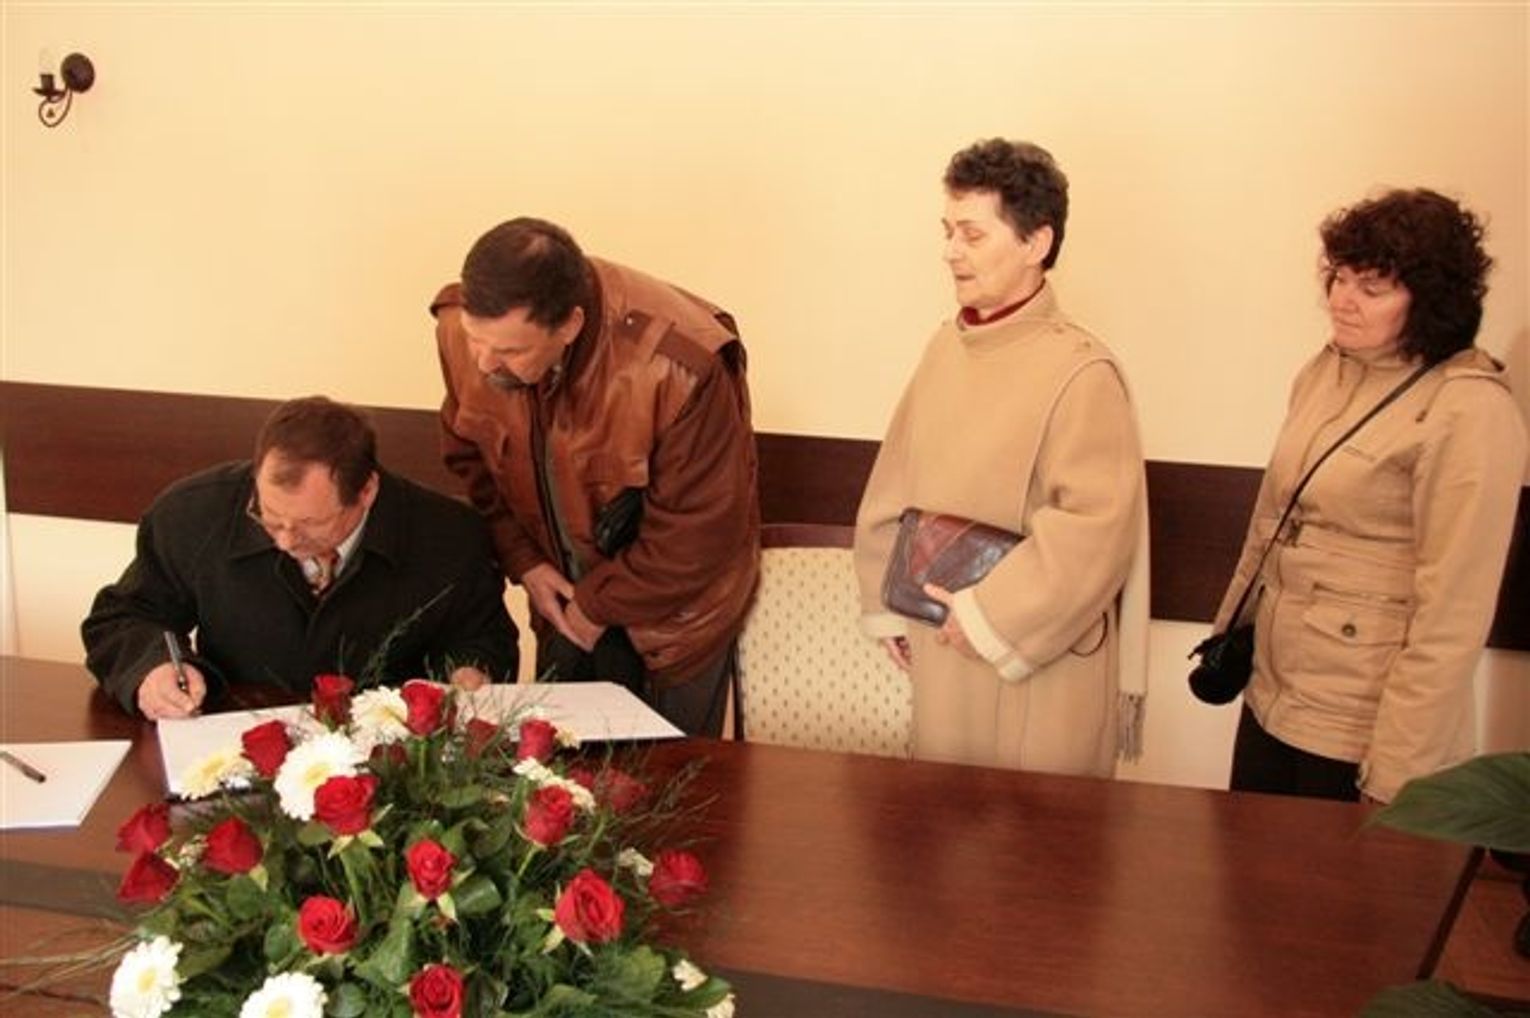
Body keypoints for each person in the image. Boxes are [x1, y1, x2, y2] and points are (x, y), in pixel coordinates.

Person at [1211, 188, 1527, 804]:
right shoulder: (1327, 370)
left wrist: (1398, 771)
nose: (1341, 300)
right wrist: (1231, 636)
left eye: (1372, 288)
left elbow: (1452, 615)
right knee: (1247, 863)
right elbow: (1272, 519)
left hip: (1359, 725)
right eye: (1339, 277)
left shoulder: (1469, 409)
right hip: (1273, 695)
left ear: (1431, 299)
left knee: (1333, 871)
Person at [853, 138, 1149, 775]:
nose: (950, 251)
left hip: (1039, 659)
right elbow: (893, 481)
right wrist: (889, 606)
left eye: (972, 234)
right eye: (947, 231)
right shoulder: (945, 348)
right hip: (943, 642)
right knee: (943, 822)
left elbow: (1095, 530)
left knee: (1029, 831)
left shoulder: (1082, 371)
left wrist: (987, 617)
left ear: (1036, 243)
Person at [430, 217, 760, 737]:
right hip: (562, 603)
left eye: (511, 352)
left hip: (674, 624)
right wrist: (525, 561)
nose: (485, 362)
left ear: (570, 325)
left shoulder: (682, 368)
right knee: (555, 775)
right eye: (476, 340)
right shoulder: (461, 327)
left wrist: (594, 604)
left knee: (670, 780)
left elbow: (698, 534)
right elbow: (473, 465)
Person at [83, 396, 520, 719]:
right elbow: (123, 618)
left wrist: (467, 673)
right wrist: (151, 669)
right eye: (270, 518)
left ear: (367, 491)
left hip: (389, 755)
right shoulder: (195, 513)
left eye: (311, 524)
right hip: (235, 739)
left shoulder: (448, 535)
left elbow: (485, 639)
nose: (285, 542)